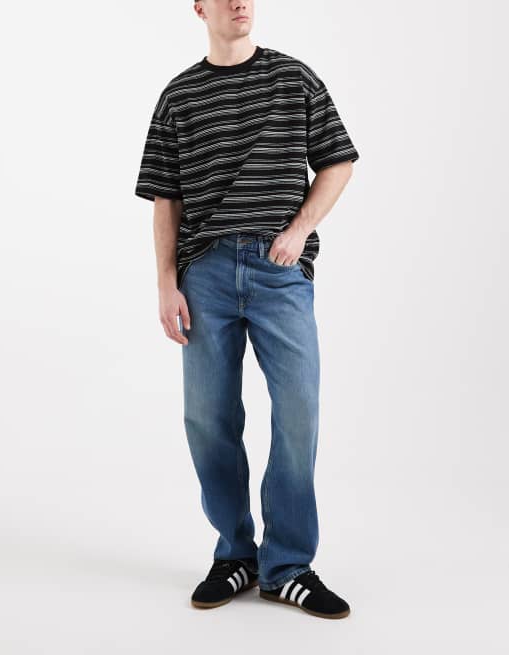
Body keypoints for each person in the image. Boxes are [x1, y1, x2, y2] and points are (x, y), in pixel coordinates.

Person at [134, 0, 359, 620]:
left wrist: (298, 230)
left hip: (279, 271)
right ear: (199, 7)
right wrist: (166, 284)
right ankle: (236, 553)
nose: (240, 2)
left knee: (299, 413)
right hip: (204, 274)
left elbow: (338, 161)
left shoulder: (293, 78)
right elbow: (165, 198)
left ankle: (288, 565)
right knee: (207, 418)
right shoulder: (179, 95)